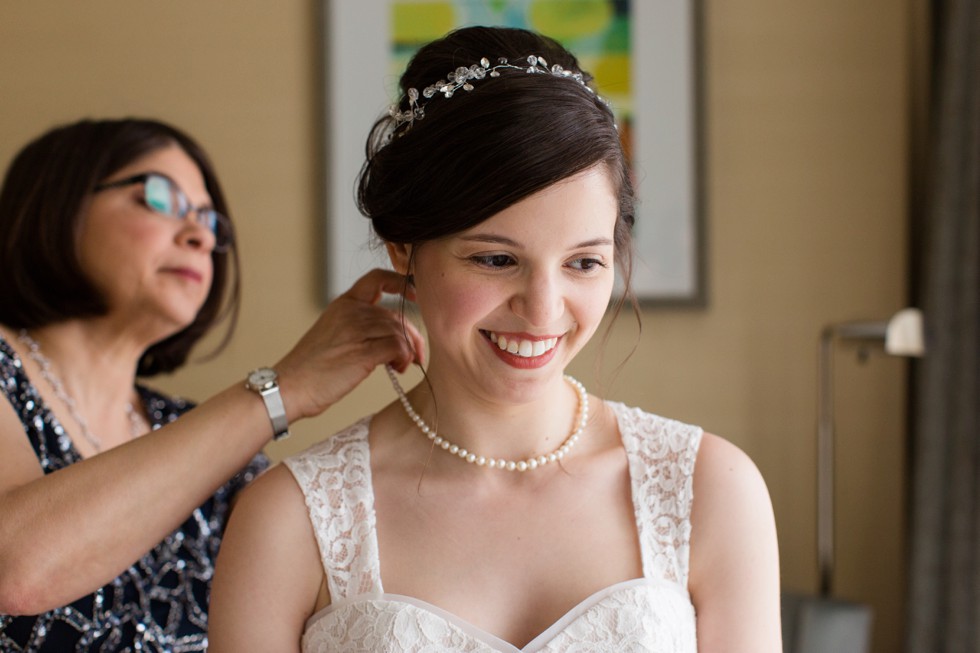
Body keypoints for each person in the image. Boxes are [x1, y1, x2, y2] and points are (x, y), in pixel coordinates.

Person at [209, 26, 781, 652]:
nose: (542, 311)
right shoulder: (289, 519)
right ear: (405, 246)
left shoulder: (710, 488)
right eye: (495, 260)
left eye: (583, 263)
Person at [0, 117, 424, 652]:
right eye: (159, 198)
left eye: (207, 220)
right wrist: (283, 389)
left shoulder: (212, 452)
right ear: (56, 203)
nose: (200, 235)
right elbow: (16, 570)